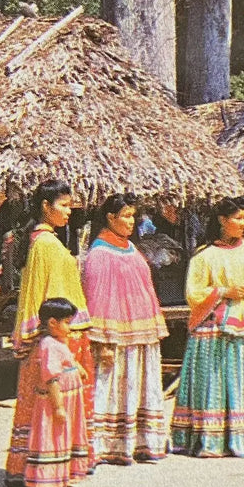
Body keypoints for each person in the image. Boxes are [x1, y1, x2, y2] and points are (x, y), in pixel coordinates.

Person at [4, 180, 94, 487]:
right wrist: (48, 335)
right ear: (46, 206)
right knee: (54, 404)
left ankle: (51, 466)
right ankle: (44, 468)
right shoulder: (44, 244)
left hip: (63, 331)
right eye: (64, 205)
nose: (69, 211)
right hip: (58, 335)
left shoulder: (48, 242)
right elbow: (37, 293)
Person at [169, 198, 244, 457]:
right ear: (222, 221)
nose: (242, 224)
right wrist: (226, 291)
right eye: (237, 218)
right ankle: (212, 438)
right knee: (215, 378)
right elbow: (194, 293)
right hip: (216, 325)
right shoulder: (205, 256)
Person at [81, 193, 170, 465]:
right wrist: (103, 341)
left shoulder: (130, 248)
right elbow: (96, 299)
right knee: (114, 386)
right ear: (110, 217)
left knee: (140, 386)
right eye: (126, 216)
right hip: (116, 338)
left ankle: (141, 442)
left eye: (134, 216)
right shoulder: (99, 253)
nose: (132, 222)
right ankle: (110, 446)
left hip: (141, 335)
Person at [21, 297, 93, 487]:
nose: (70, 327)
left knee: (65, 435)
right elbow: (51, 377)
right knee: (55, 435)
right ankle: (50, 481)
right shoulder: (48, 344)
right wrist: (58, 406)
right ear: (53, 322)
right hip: (57, 400)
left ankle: (62, 476)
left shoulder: (58, 342)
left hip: (69, 399)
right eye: (67, 323)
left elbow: (67, 359)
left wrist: (78, 368)